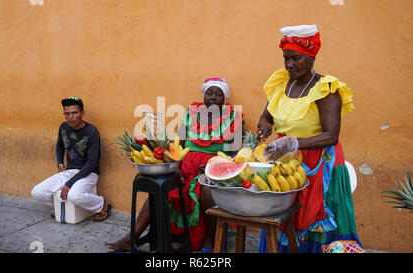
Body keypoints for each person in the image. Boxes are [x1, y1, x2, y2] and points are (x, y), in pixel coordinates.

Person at [105, 78, 243, 252]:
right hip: (185, 165)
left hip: (213, 168)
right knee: (160, 188)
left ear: (225, 99)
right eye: (210, 93)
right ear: (203, 96)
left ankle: (210, 239)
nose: (213, 97)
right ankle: (132, 237)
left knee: (206, 192)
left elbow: (235, 153)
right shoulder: (192, 114)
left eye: (218, 94)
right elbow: (179, 145)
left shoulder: (233, 118)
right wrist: (175, 165)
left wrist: (217, 166)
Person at [257, 25, 361, 253]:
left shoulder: (326, 89)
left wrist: (293, 143)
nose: (289, 64)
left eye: (296, 58)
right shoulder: (282, 84)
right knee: (284, 220)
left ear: (311, 58)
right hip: (286, 163)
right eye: (286, 58)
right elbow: (267, 116)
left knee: (317, 222)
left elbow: (332, 135)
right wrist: (264, 127)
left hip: (321, 164)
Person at [31, 96, 111, 221]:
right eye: (67, 113)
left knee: (74, 196)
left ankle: (101, 203)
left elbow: (92, 162)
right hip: (69, 171)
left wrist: (69, 184)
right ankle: (60, 207)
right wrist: (59, 162)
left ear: (82, 113)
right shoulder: (63, 127)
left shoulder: (92, 132)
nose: (70, 117)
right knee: (37, 192)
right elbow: (60, 145)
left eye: (74, 113)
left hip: (88, 173)